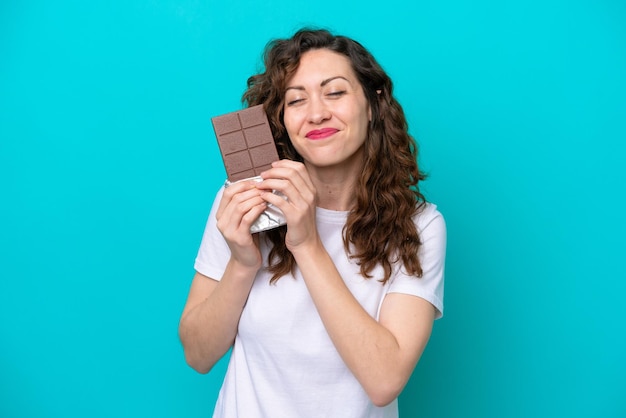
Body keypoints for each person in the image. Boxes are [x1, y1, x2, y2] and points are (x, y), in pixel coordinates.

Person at [179, 28, 446, 418]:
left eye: (335, 92)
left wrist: (306, 244)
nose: (317, 113)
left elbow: (384, 381)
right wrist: (242, 262)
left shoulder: (419, 226)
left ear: (373, 104)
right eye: (296, 100)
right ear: (282, 120)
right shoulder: (243, 202)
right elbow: (198, 355)